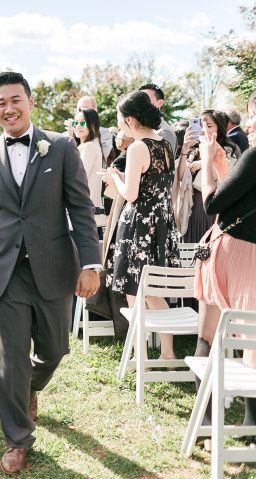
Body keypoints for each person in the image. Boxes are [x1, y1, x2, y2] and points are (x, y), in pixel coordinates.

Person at [0, 71, 101, 475]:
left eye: (15, 99)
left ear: (30, 102)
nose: (8, 108)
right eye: (0, 102)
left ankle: (31, 384)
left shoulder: (60, 147)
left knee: (55, 349)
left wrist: (90, 263)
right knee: (10, 356)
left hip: (53, 267)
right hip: (6, 272)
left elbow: (80, 209)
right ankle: (18, 438)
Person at [192, 91, 256, 445]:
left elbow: (214, 202)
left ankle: (205, 420)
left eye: (253, 116)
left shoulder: (255, 156)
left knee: (208, 335)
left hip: (231, 254)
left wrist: (205, 162)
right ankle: (251, 428)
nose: (248, 124)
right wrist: (222, 167)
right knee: (252, 340)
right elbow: (245, 194)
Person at [102, 90, 180, 361]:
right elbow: (155, 185)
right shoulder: (165, 145)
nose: (120, 124)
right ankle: (168, 354)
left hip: (139, 225)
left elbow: (131, 194)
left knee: (135, 292)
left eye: (121, 119)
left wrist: (115, 180)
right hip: (162, 222)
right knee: (156, 291)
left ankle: (142, 355)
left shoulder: (137, 147)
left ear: (131, 119)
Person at [178, 110, 240, 243]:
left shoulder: (227, 151)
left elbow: (227, 178)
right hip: (190, 205)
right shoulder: (194, 150)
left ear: (219, 128)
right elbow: (181, 176)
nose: (203, 129)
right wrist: (184, 150)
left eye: (209, 126)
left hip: (210, 204)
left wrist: (206, 162)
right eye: (200, 124)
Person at [70, 108, 106, 229]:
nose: (78, 126)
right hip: (88, 215)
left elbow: (77, 178)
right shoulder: (89, 145)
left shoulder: (88, 147)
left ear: (92, 124)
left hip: (85, 216)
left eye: (83, 123)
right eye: (75, 123)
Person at [138, 83, 177, 158]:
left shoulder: (164, 132)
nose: (142, 104)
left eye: (146, 100)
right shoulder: (141, 127)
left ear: (160, 103)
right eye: (139, 101)